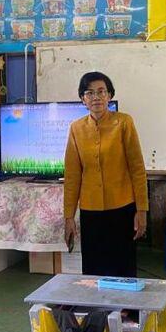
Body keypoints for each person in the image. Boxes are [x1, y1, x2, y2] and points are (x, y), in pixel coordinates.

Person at [63, 72, 148, 277]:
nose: (96, 97)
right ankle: (97, 301)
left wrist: (142, 210)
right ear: (83, 99)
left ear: (109, 95)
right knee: (94, 270)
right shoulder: (76, 128)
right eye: (89, 93)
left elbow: (137, 169)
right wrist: (68, 217)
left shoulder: (124, 123)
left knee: (123, 268)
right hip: (91, 211)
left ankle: (125, 300)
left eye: (101, 91)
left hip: (122, 208)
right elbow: (72, 176)